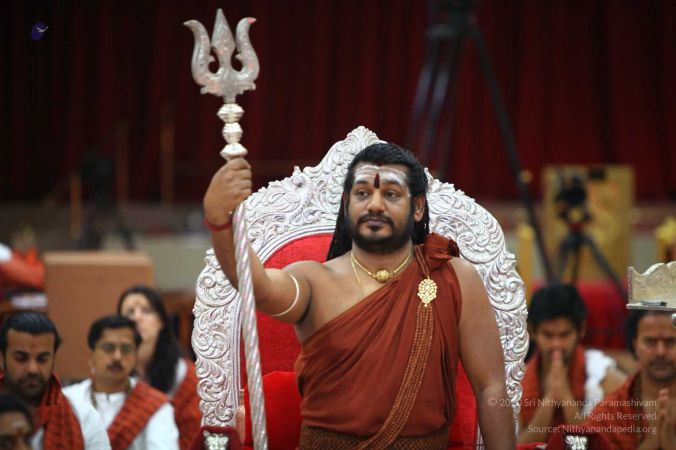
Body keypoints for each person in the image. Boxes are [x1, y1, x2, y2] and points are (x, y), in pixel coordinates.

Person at [203, 142, 515, 449]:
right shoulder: (314, 281)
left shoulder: (454, 278)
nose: (375, 205)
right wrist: (220, 221)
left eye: (391, 194)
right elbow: (257, 286)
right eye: (363, 193)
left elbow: (491, 387)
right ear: (346, 203)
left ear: (418, 207)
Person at [518, 284, 626, 443]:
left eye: (564, 335)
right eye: (548, 335)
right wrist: (549, 400)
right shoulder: (517, 381)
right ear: (532, 331)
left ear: (581, 329)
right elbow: (521, 445)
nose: (556, 344)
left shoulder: (603, 377)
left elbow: (591, 444)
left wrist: (565, 397)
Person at [64, 315, 178, 450]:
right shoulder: (68, 400)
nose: (117, 357)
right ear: (91, 354)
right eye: (108, 348)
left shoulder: (154, 405)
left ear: (135, 356)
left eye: (126, 349)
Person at [0, 312, 110, 450]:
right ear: (1, 359)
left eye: (42, 359)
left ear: (53, 359)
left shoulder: (84, 418)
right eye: (21, 358)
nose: (33, 369)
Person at [117, 286, 200, 450]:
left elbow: (193, 437)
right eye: (129, 312)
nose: (137, 317)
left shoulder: (185, 375)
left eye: (146, 310)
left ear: (161, 321)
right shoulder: (112, 374)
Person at [584, 310, 676, 449]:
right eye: (650, 342)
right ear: (635, 345)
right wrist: (649, 445)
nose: (660, 352)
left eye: (671, 342)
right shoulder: (609, 412)